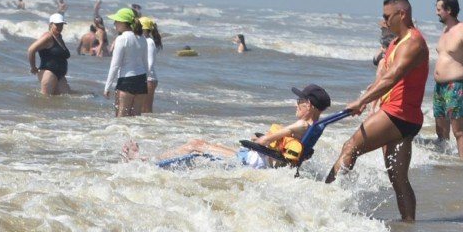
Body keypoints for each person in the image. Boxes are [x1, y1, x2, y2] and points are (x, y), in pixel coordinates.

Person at [326, 0, 429, 222]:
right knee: (399, 178)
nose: (383, 21)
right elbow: (381, 79)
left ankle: (325, 201)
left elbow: (393, 77)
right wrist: (367, 101)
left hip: (398, 114)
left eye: (386, 16)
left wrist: (362, 100)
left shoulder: (413, 42)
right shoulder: (395, 43)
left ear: (401, 14)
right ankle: (409, 224)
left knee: (350, 147)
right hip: (405, 118)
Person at [125, 84, 331, 168]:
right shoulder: (315, 127)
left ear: (309, 105)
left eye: (299, 102)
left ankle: (146, 163)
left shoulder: (302, 124)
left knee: (196, 145)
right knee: (200, 144)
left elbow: (269, 140)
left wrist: (261, 140)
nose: (296, 105)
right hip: (260, 159)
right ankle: (148, 160)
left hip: (255, 162)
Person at [433, 0, 463, 159]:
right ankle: (444, 161)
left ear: (449, 10)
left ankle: (462, 164)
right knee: (440, 130)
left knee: (459, 131)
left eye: (439, 9)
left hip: (456, 86)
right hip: (439, 87)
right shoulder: (445, 31)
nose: (436, 12)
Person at [104, 8, 148, 117]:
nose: (115, 24)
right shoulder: (142, 38)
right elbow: (145, 62)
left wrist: (107, 87)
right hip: (141, 80)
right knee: (136, 117)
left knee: (121, 117)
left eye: (117, 21)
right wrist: (144, 80)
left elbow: (115, 65)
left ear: (124, 23)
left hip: (126, 80)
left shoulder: (122, 38)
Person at [28, 13, 71, 96]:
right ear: (51, 24)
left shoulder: (59, 37)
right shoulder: (48, 36)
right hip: (49, 73)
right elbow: (31, 50)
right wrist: (33, 67)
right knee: (46, 101)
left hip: (60, 75)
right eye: (57, 25)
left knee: (65, 99)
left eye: (61, 25)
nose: (60, 27)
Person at [140, 17, 162, 113]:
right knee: (143, 110)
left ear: (144, 29)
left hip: (148, 79)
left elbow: (150, 63)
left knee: (146, 110)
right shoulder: (145, 41)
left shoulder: (149, 42)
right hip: (148, 78)